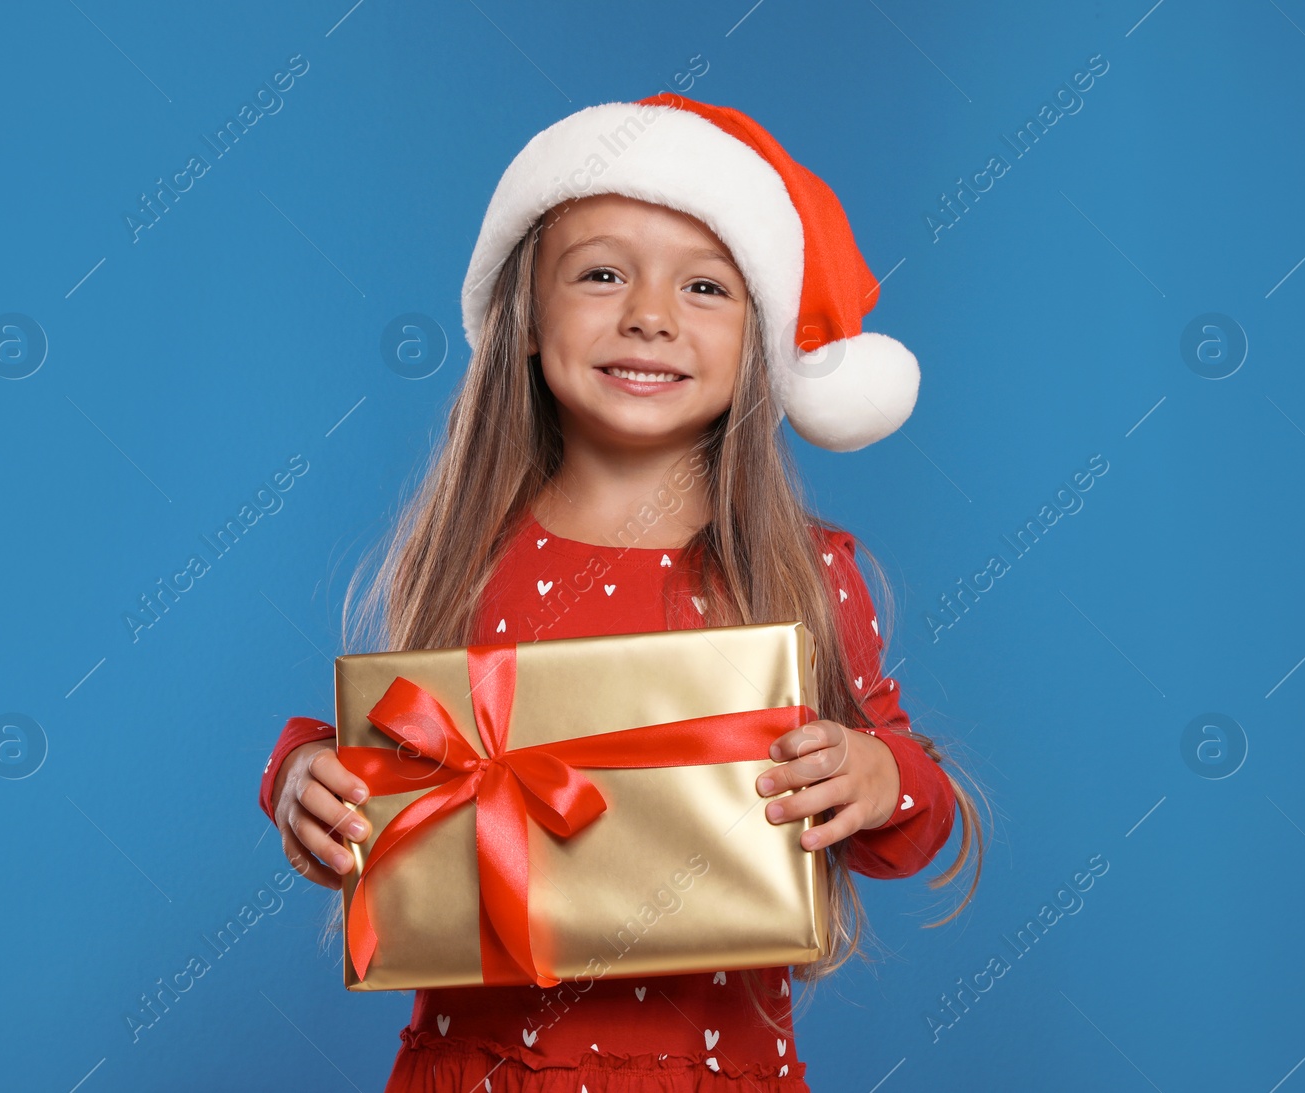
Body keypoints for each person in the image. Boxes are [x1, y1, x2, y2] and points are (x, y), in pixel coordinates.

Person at [258, 93, 987, 1092]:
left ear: (762, 342)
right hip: (479, 1070)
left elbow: (918, 809)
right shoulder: (465, 555)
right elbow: (381, 765)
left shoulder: (802, 570)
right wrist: (304, 780)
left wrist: (868, 774)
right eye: (601, 273)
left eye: (704, 287)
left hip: (712, 1069)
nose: (648, 314)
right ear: (523, 317)